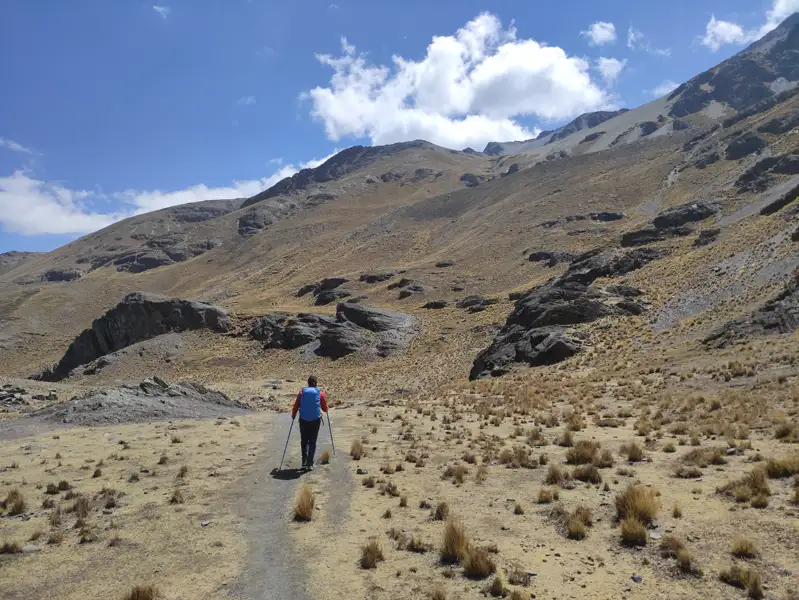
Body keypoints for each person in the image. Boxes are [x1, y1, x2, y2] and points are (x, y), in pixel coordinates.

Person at [291, 375, 328, 471]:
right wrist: (325, 409)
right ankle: (310, 464)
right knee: (312, 442)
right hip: (315, 421)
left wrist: (293, 414)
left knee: (304, 441)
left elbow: (296, 405)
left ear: (308, 383)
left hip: (303, 420)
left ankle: (304, 462)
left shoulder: (302, 392)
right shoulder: (320, 393)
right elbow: (324, 408)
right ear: (316, 383)